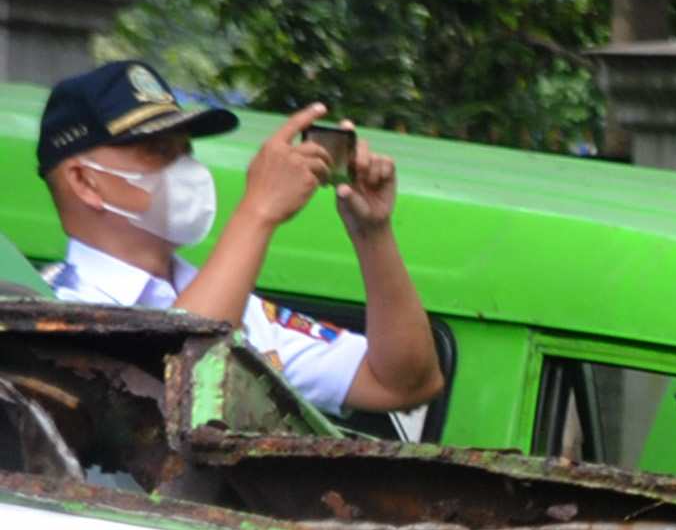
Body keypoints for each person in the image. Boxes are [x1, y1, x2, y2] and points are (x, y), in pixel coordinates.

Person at [36, 60, 443, 417]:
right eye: (159, 151)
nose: (185, 169)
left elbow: (404, 384)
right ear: (84, 181)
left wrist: (372, 233)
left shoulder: (241, 310)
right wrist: (258, 210)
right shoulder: (51, 308)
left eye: (186, 151)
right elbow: (173, 394)